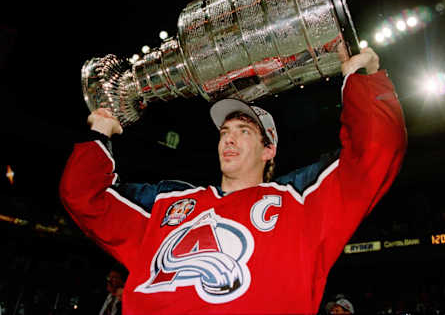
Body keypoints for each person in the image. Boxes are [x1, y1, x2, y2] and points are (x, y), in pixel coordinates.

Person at [60, 48, 407, 314]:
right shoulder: (166, 202)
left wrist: (363, 78)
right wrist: (100, 134)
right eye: (225, 131)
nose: (229, 139)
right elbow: (83, 196)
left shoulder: (302, 201)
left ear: (268, 150)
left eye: (243, 131)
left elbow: (375, 152)